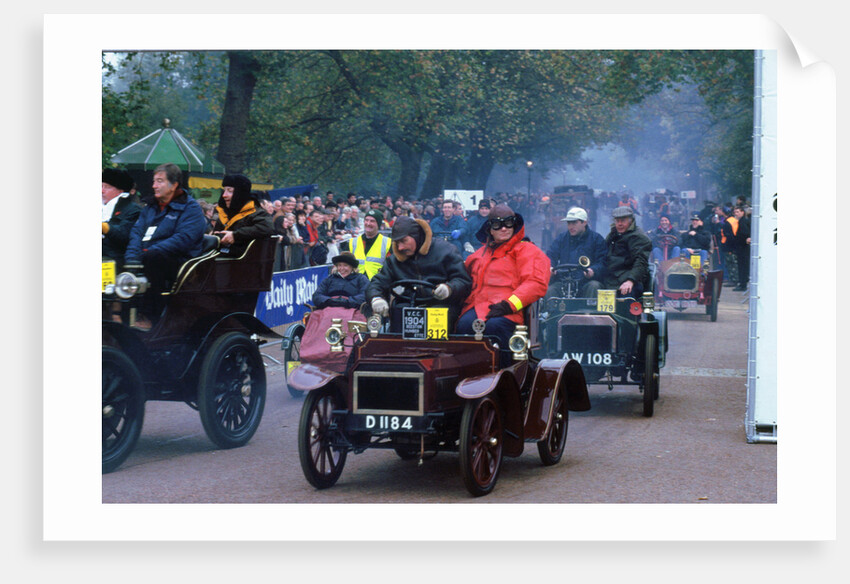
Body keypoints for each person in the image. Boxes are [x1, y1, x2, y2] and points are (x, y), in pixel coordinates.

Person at [456, 204, 550, 367]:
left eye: (508, 223)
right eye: (497, 225)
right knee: (462, 327)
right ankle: (464, 375)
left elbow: (536, 283)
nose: (504, 228)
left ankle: (507, 374)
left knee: (495, 327)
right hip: (477, 307)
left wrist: (509, 305)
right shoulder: (479, 254)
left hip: (509, 310)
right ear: (490, 229)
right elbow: (461, 276)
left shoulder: (527, 250)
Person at [124, 163, 206, 324]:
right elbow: (136, 233)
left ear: (174, 185)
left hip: (180, 263)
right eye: (154, 181)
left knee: (154, 259)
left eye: (160, 181)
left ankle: (151, 317)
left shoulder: (191, 208)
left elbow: (183, 239)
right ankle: (120, 314)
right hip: (148, 255)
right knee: (120, 259)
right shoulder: (150, 207)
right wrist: (132, 257)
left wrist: (148, 252)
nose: (154, 186)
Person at [366, 216, 471, 332]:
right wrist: (376, 298)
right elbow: (377, 282)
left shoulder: (446, 250)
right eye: (397, 242)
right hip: (407, 304)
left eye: (404, 241)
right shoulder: (394, 260)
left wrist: (449, 288)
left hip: (440, 305)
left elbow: (463, 280)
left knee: (439, 315)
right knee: (397, 311)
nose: (400, 247)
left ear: (416, 236)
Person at [545, 206, 607, 298]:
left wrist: (593, 271)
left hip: (586, 282)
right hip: (563, 282)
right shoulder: (561, 239)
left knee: (594, 286)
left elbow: (603, 261)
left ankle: (590, 308)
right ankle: (551, 308)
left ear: (584, 222)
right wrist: (550, 267)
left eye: (574, 223)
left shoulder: (596, 239)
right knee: (549, 290)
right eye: (569, 223)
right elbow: (550, 255)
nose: (571, 226)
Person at [212, 174, 274, 257]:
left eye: (230, 191)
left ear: (240, 193)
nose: (224, 195)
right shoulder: (223, 213)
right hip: (220, 257)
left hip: (245, 261)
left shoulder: (256, 212)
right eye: (224, 191)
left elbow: (267, 227)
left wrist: (235, 235)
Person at [601, 206, 652, 297]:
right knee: (592, 286)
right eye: (617, 221)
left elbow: (641, 262)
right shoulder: (613, 234)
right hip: (610, 277)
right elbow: (603, 253)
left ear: (630, 221)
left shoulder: (639, 237)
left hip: (630, 278)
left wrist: (630, 280)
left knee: (626, 294)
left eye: (623, 221)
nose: (619, 224)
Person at [102, 168, 141, 266]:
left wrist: (105, 228)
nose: (102, 191)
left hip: (114, 260)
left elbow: (124, 236)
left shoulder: (133, 210)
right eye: (101, 186)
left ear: (120, 191)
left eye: (107, 187)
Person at [347, 209, 391, 280]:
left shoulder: (388, 243)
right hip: (356, 282)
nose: (368, 223)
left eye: (372, 221)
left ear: (378, 224)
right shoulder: (353, 242)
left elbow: (391, 267)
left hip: (377, 282)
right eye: (366, 220)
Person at [730, 206, 751, 291]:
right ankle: (742, 283)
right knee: (742, 266)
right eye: (735, 212)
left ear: (742, 212)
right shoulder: (741, 221)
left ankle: (743, 284)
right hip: (742, 247)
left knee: (743, 266)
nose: (736, 214)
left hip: (743, 248)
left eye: (738, 212)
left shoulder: (743, 222)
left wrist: (740, 240)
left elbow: (744, 234)